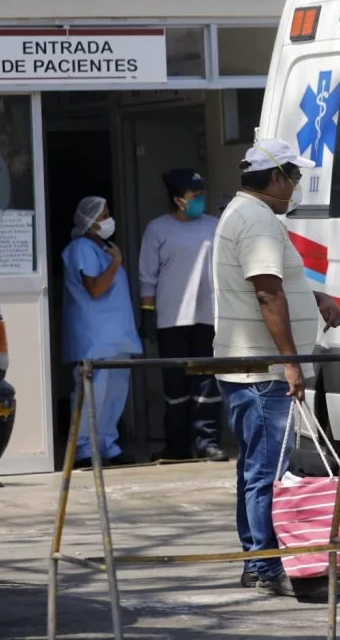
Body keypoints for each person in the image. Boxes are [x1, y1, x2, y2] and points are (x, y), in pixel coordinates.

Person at [212, 138, 340, 596]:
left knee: (257, 468)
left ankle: (258, 561)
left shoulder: (251, 214)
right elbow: (267, 294)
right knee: (266, 472)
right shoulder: (257, 220)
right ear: (275, 177)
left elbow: (275, 283)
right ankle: (265, 567)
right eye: (295, 177)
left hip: (254, 368)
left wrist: (313, 296)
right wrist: (289, 361)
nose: (297, 186)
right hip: (264, 372)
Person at [139, 168, 227, 463]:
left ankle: (208, 442)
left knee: (207, 384)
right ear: (178, 199)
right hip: (171, 320)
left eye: (202, 194)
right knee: (175, 386)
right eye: (195, 195)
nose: (200, 199)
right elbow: (147, 277)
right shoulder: (157, 229)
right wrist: (147, 313)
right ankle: (176, 446)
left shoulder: (214, 226)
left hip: (208, 317)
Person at [61, 196, 143, 469]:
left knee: (114, 394)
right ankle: (84, 448)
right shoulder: (81, 248)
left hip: (117, 336)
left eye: (108, 214)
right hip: (94, 337)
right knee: (92, 394)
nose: (109, 220)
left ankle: (109, 443)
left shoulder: (106, 248)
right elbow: (95, 289)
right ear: (88, 221)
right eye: (103, 216)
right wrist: (116, 262)